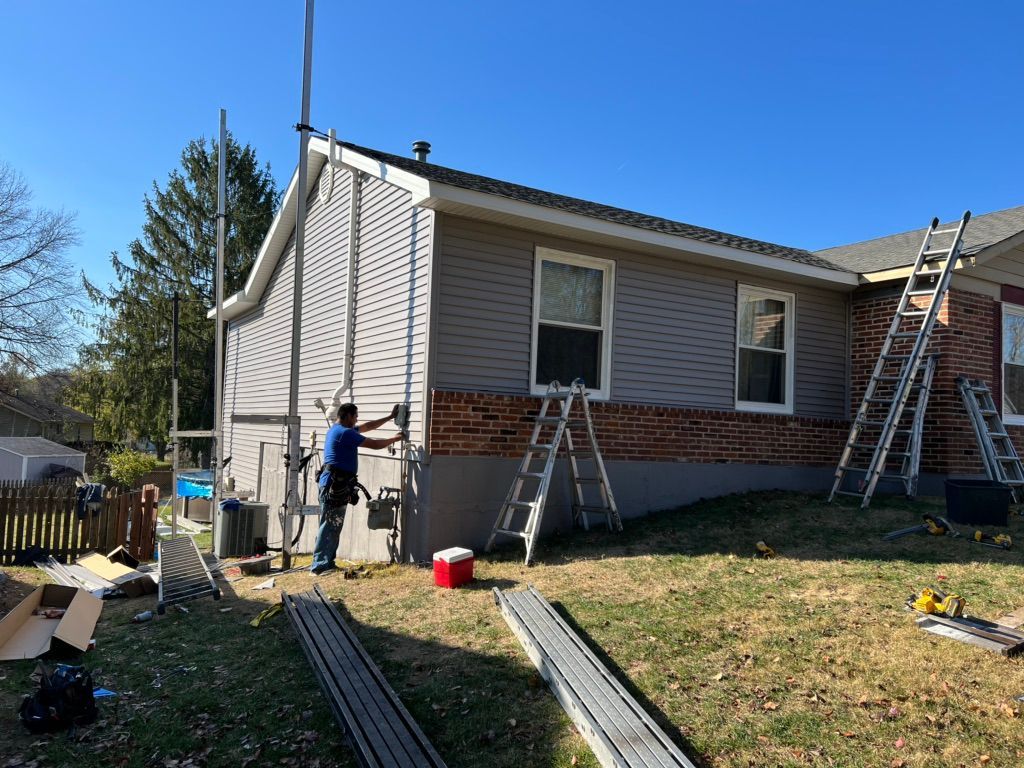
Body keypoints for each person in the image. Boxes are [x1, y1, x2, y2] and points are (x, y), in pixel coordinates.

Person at [310, 402, 404, 574]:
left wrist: (390, 417)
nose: (357, 419)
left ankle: (327, 563)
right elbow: (374, 445)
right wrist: (395, 439)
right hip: (334, 484)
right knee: (330, 524)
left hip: (337, 483)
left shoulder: (339, 429)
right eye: (355, 416)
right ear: (347, 416)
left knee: (333, 524)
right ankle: (319, 566)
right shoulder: (344, 433)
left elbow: (368, 426)